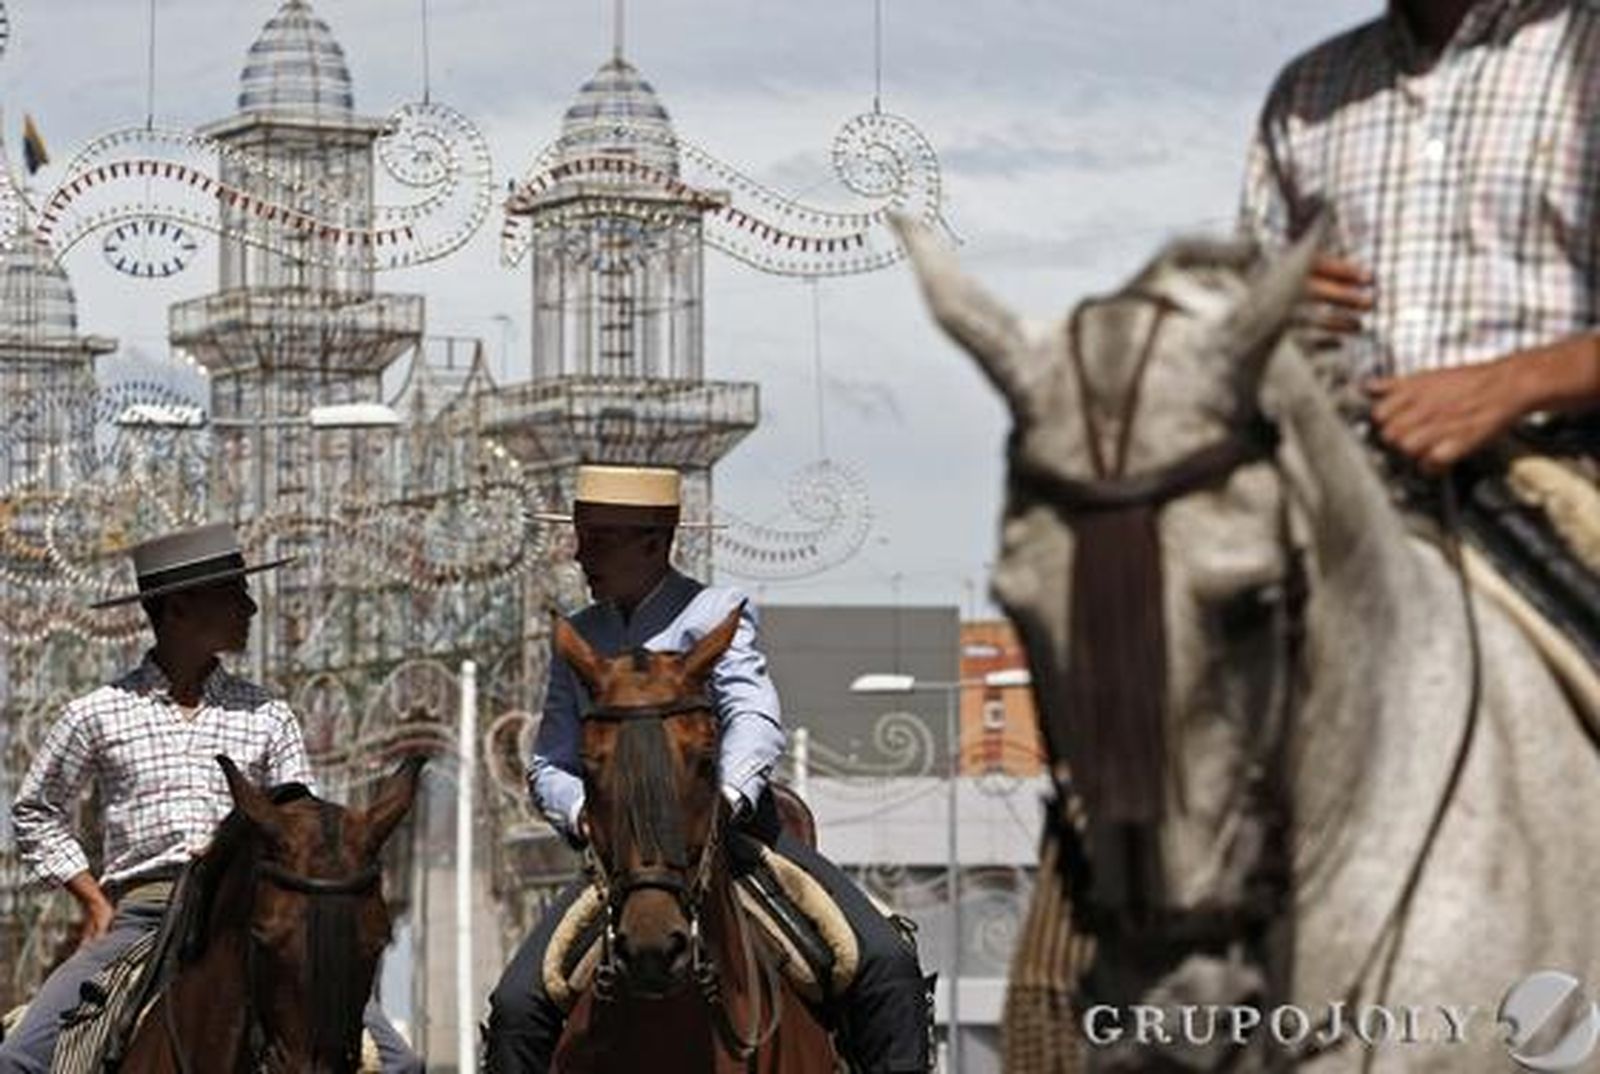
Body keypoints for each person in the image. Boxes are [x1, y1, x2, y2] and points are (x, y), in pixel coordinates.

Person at [485, 465, 931, 1074]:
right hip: (622, 856)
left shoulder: (714, 611)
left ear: (654, 542)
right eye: (581, 535)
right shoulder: (578, 638)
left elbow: (753, 717)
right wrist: (580, 813)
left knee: (885, 965)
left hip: (740, 838)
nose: (579, 553)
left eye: (598, 538)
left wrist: (725, 798)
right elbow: (551, 760)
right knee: (516, 1008)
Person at [0, 522, 422, 1074]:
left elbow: (304, 822)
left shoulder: (269, 714)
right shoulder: (96, 713)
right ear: (177, 608)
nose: (249, 608)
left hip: (259, 915)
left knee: (400, 1065)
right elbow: (35, 810)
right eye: (233, 594)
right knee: (18, 1059)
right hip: (143, 916)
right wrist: (94, 900)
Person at [1240, 0, 1600, 473]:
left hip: (1563, 475)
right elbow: (1235, 323)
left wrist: (1515, 383)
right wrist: (1269, 309)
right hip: (1346, 483)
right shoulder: (1306, 91)